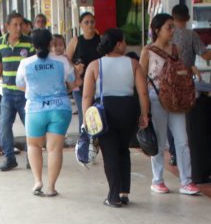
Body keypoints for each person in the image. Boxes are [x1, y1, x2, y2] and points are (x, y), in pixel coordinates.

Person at [82, 28, 149, 207]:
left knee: (110, 153)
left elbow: (87, 96)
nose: (125, 45)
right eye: (124, 41)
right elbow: (143, 92)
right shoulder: (133, 64)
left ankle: (113, 196)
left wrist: (86, 119)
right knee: (123, 150)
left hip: (105, 111)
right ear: (118, 44)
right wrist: (144, 113)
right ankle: (124, 192)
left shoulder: (95, 65)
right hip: (128, 109)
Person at [140, 13, 200, 196]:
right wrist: (143, 106)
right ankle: (157, 179)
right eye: (169, 27)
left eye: (173, 26)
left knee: (182, 140)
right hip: (156, 98)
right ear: (157, 30)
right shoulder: (148, 51)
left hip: (176, 100)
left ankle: (186, 181)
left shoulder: (176, 49)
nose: (172, 31)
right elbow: (141, 77)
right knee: (158, 140)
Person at [16, 29, 74, 197]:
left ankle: (37, 180)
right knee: (55, 149)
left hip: (35, 110)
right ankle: (51, 187)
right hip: (60, 108)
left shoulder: (25, 63)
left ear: (32, 45)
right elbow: (72, 81)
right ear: (51, 43)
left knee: (33, 145)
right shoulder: (62, 61)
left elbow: (20, 84)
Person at [0, 12, 35, 171]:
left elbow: (33, 65)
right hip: (7, 93)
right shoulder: (0, 43)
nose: (19, 28)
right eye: (15, 25)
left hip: (25, 94)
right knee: (4, 126)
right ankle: (10, 158)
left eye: (21, 24)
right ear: (7, 27)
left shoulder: (29, 43)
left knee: (30, 127)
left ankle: (31, 158)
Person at [66, 12, 102, 136]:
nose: (90, 25)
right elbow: (66, 60)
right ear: (80, 24)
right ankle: (84, 138)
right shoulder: (76, 41)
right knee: (84, 112)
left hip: (98, 82)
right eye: (86, 22)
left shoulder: (100, 39)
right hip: (80, 82)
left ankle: (97, 137)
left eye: (92, 22)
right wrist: (75, 68)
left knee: (98, 111)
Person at [170, 5, 211, 72]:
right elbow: (207, 56)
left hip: (167, 78)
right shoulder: (191, 35)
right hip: (185, 78)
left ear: (172, 17)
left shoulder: (166, 34)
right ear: (188, 18)